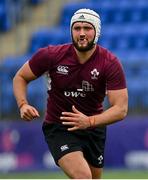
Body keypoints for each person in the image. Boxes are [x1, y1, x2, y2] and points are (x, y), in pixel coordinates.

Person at [13, 8, 128, 179]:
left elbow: (121, 109)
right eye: (77, 28)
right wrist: (23, 104)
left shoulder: (109, 63)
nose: (81, 33)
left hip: (93, 128)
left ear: (97, 31)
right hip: (60, 127)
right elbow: (20, 77)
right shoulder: (51, 55)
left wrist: (89, 121)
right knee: (83, 176)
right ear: (71, 31)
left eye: (87, 28)